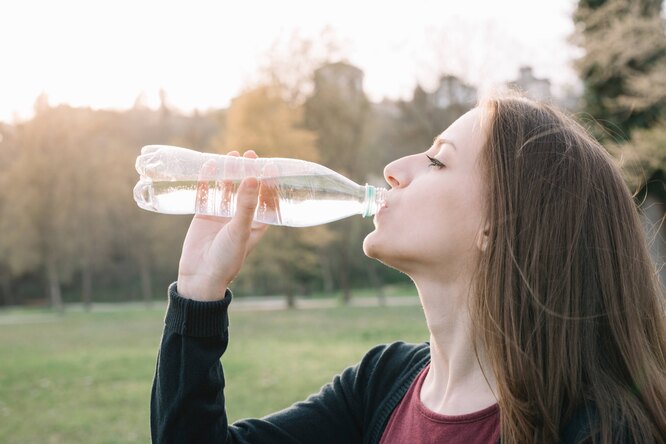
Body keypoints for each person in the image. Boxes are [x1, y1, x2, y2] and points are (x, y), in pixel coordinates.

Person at [150, 94, 666, 443]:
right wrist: (199, 292)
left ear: (501, 223)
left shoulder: (598, 431)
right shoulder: (381, 385)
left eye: (437, 160)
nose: (395, 171)